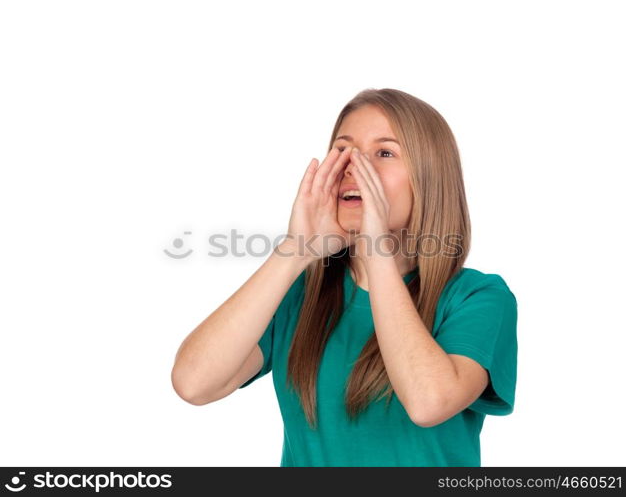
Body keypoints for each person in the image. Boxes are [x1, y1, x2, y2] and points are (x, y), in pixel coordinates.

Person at [171, 88, 518, 467]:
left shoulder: (479, 298)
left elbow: (428, 402)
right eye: (343, 151)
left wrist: (376, 249)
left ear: (429, 180)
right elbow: (194, 383)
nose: (355, 166)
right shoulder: (300, 294)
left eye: (384, 153)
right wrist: (295, 250)